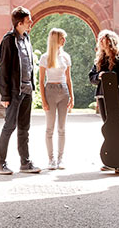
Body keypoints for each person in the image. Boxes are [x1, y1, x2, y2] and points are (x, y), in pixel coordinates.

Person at [0, 6, 41, 175]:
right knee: (9, 127)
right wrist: (5, 95)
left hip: (27, 90)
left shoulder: (26, 38)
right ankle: (0, 163)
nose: (31, 23)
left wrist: (33, 87)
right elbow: (4, 69)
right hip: (14, 92)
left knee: (24, 128)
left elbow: (29, 64)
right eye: (28, 21)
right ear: (19, 23)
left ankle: (25, 163)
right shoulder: (8, 41)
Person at [88, 29, 119, 174]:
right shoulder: (100, 59)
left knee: (118, 130)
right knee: (108, 130)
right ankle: (111, 160)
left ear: (110, 41)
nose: (100, 41)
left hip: (116, 99)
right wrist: (99, 76)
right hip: (102, 97)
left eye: (103, 39)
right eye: (100, 39)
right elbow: (91, 77)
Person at [39, 28, 74, 170]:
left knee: (62, 128)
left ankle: (60, 159)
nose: (64, 40)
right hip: (50, 91)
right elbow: (41, 81)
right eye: (62, 38)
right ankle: (51, 159)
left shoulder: (66, 56)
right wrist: (43, 100)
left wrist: (72, 96)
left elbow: (69, 78)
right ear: (55, 40)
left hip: (63, 91)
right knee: (49, 128)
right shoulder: (45, 57)